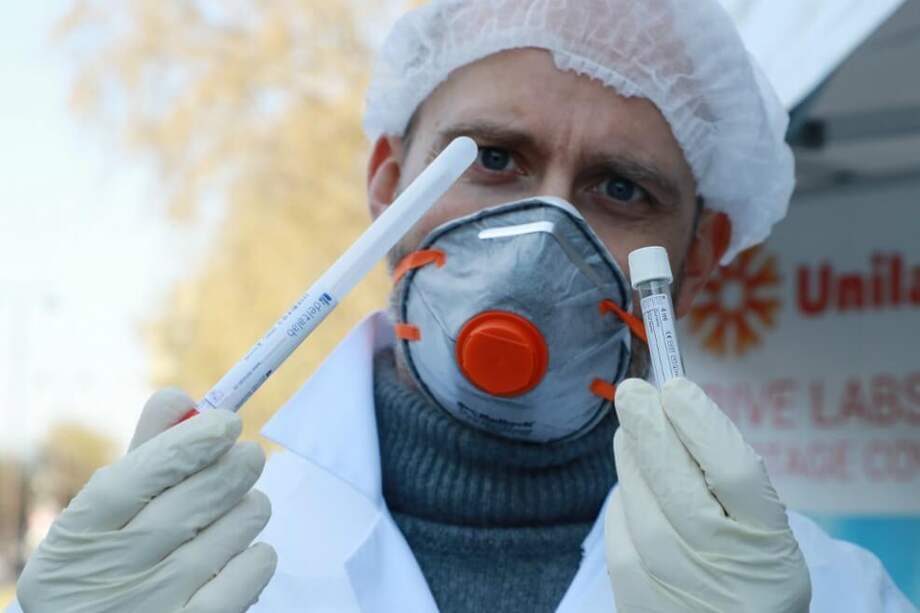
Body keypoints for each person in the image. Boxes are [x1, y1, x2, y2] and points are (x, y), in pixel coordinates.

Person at [10, 1, 916, 612]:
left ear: (699, 257)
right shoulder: (186, 569)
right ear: (388, 181)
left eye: (619, 187)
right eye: (492, 158)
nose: (541, 235)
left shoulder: (822, 593)